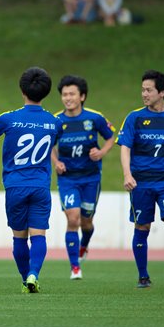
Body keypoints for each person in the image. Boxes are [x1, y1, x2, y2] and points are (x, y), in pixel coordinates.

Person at [0, 67, 62, 294]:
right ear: (45, 92)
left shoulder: (10, 118)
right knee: (39, 235)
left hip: (15, 186)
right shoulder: (54, 122)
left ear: (22, 89)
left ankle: (26, 279)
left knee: (19, 238)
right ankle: (34, 273)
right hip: (41, 186)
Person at [116, 70, 164, 289]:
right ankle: (143, 276)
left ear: (162, 92)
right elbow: (125, 147)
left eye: (148, 90)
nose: (144, 94)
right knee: (142, 228)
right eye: (142, 89)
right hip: (141, 184)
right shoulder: (135, 117)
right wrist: (127, 174)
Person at [51, 75, 115, 279]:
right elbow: (49, 144)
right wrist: (56, 162)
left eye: (72, 94)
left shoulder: (94, 118)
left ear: (82, 96)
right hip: (68, 179)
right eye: (64, 94)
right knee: (73, 218)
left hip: (91, 178)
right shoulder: (56, 120)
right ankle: (74, 267)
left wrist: (101, 152)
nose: (67, 98)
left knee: (86, 223)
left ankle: (84, 245)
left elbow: (112, 136)